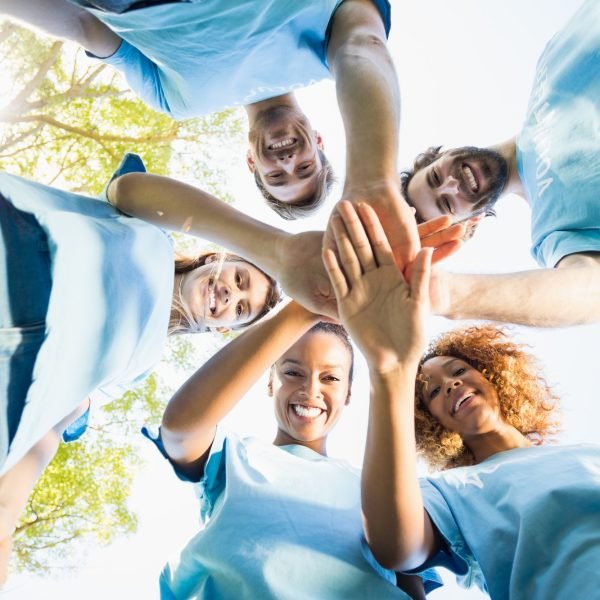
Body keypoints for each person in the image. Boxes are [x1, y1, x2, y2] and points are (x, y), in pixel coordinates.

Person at [0, 157, 281, 584]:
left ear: (221, 328)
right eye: (240, 278)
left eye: (240, 310)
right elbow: (128, 188)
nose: (230, 294)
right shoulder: (153, 229)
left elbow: (59, 417)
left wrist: (7, 512)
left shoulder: (141, 365)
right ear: (216, 258)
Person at [2, 0, 419, 266]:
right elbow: (363, 45)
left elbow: (84, 25)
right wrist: (372, 182)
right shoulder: (328, 53)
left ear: (251, 161)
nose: (288, 162)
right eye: (305, 166)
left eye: (276, 177)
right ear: (319, 140)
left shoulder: (178, 102)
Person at [321, 201, 600, 599]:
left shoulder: (587, 453)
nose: (450, 385)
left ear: (492, 375)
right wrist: (389, 368)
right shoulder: (453, 491)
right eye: (433, 392)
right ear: (430, 420)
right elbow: (395, 545)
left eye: (457, 371)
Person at [142, 298, 437, 598]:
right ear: (270, 382)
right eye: (293, 372)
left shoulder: (381, 493)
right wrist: (304, 308)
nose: (310, 391)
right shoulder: (231, 457)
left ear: (348, 393)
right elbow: (180, 428)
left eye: (330, 378)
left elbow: (410, 578)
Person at [397, 0, 600, 327]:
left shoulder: (549, 63)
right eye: (448, 203)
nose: (453, 184)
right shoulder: (552, 233)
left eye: (436, 176)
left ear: (440, 155)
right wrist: (444, 294)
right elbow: (589, 291)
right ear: (471, 223)